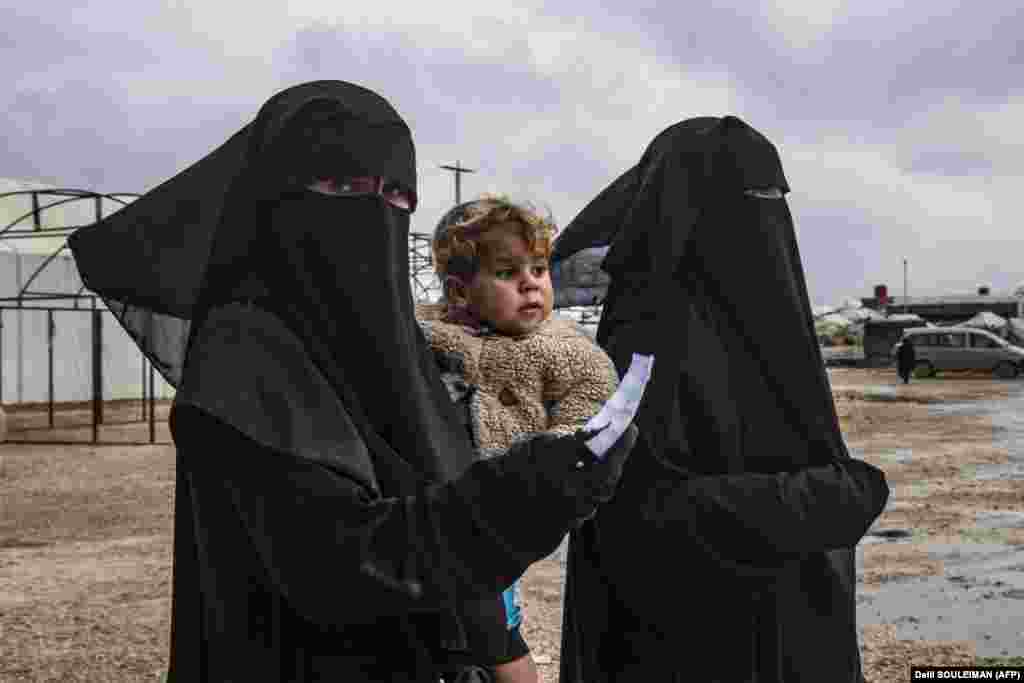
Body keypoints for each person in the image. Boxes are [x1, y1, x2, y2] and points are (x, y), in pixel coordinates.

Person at [67, 80, 638, 683]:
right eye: (342, 185)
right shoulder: (243, 352)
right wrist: (525, 490)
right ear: (275, 197)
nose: (374, 211)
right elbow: (337, 566)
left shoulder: (392, 349)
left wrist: (499, 645)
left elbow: (436, 495)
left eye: (396, 195)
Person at [551, 115, 891, 683]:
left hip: (789, 630)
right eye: (751, 198)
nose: (767, 214)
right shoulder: (645, 334)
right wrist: (836, 496)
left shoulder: (771, 326)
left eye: (774, 197)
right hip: (681, 649)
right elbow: (639, 519)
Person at [416, 197, 621, 683]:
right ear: (459, 292)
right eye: (508, 272)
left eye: (539, 268)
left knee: (496, 635)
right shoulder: (426, 335)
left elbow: (590, 397)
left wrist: (558, 452)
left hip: (497, 514)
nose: (531, 283)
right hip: (429, 508)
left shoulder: (562, 348)